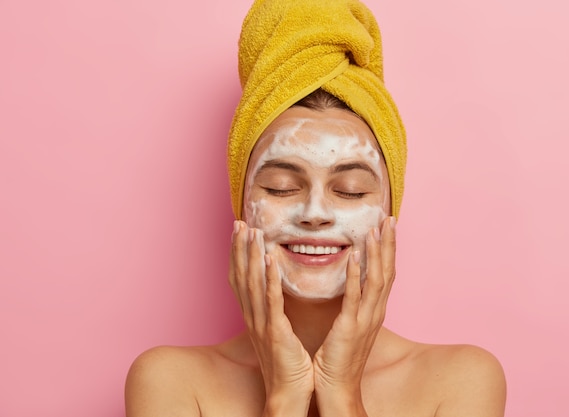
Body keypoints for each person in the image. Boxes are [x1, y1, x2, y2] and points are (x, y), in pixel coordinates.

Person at [124, 1, 506, 416]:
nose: (315, 211)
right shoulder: (170, 381)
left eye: (351, 190)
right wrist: (284, 397)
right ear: (242, 206)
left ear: (389, 212)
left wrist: (340, 392)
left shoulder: (460, 380)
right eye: (281, 187)